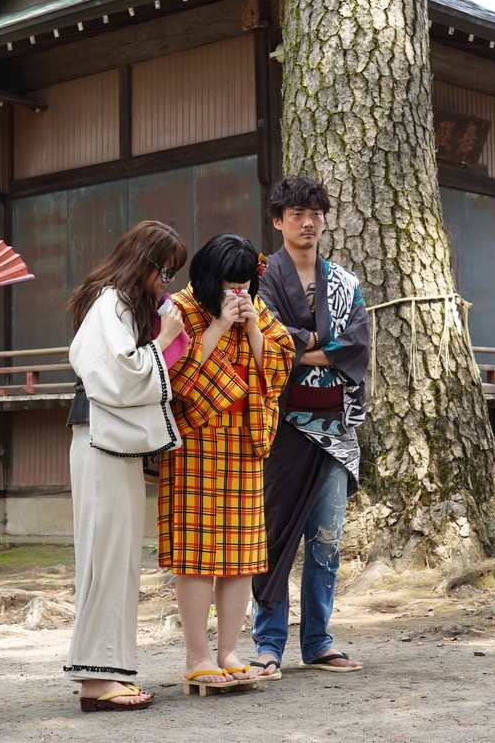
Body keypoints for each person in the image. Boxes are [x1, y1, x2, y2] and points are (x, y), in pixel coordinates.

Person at [158, 233, 295, 687]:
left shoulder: (259, 314)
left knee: (241, 555)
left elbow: (276, 375)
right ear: (206, 279)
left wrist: (254, 328)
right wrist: (217, 326)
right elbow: (171, 375)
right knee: (196, 556)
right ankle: (197, 657)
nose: (236, 295)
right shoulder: (178, 309)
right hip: (195, 441)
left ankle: (231, 651)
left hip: (244, 441)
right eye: (227, 286)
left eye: (243, 285)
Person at [63, 220, 189, 711]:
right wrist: (167, 338)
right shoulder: (111, 302)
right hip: (100, 440)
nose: (167, 283)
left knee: (113, 556)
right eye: (165, 272)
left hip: (107, 442)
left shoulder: (114, 302)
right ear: (147, 265)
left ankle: (104, 673)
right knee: (105, 556)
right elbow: (119, 374)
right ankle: (97, 679)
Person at [251, 176, 371, 677]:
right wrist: (319, 345)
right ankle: (268, 642)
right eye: (296, 213)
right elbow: (268, 338)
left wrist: (304, 347)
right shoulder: (261, 278)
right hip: (278, 427)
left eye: (315, 213)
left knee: (326, 539)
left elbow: (357, 345)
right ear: (278, 221)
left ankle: (318, 640)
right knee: (274, 535)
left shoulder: (345, 282)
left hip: (334, 428)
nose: (307, 222)